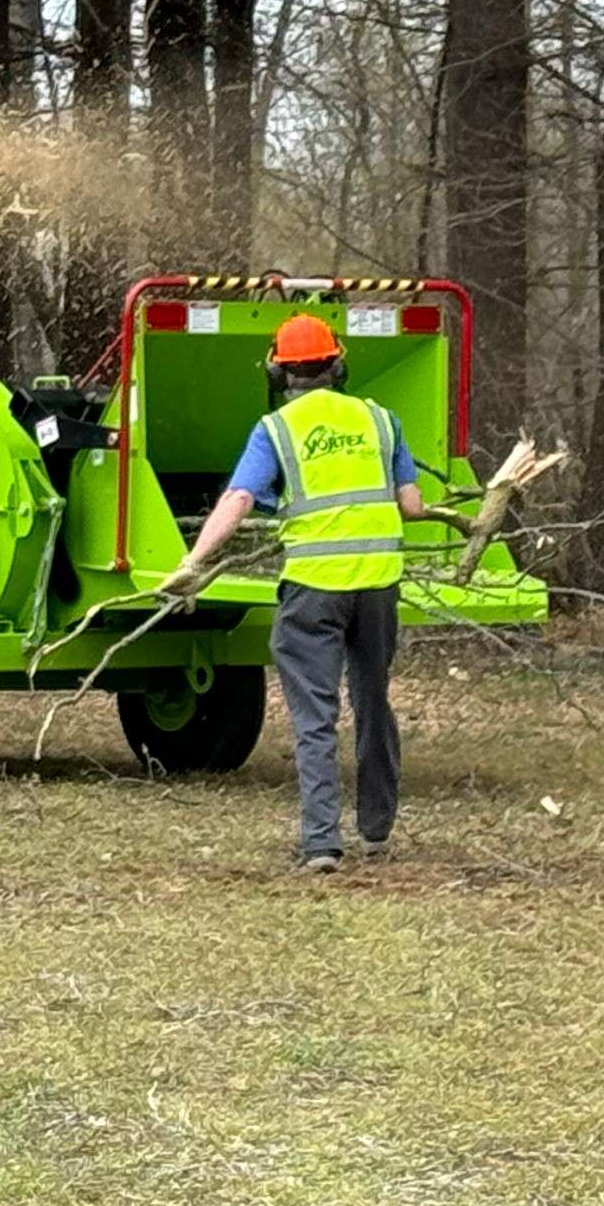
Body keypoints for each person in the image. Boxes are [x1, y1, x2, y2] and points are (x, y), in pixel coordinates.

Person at [160, 314, 471, 874]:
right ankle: (376, 832)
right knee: (373, 702)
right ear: (339, 364)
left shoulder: (275, 430)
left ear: (279, 372)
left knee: (315, 716)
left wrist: (192, 560)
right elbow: (409, 506)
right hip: (378, 584)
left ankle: (322, 844)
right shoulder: (381, 419)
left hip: (313, 590)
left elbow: (237, 501)